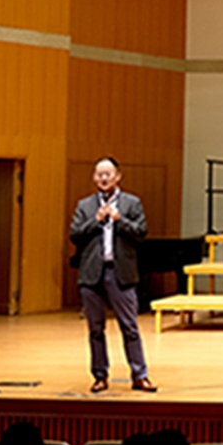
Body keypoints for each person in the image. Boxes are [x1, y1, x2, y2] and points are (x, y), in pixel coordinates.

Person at [70, 156, 155, 392]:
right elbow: (75, 235)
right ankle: (100, 376)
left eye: (108, 173)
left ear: (118, 176)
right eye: (99, 174)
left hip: (121, 273)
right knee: (95, 329)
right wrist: (95, 221)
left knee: (130, 327)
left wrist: (120, 220)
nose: (104, 178)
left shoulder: (132, 203)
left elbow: (141, 232)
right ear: (94, 177)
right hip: (91, 274)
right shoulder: (85, 206)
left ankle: (139, 375)